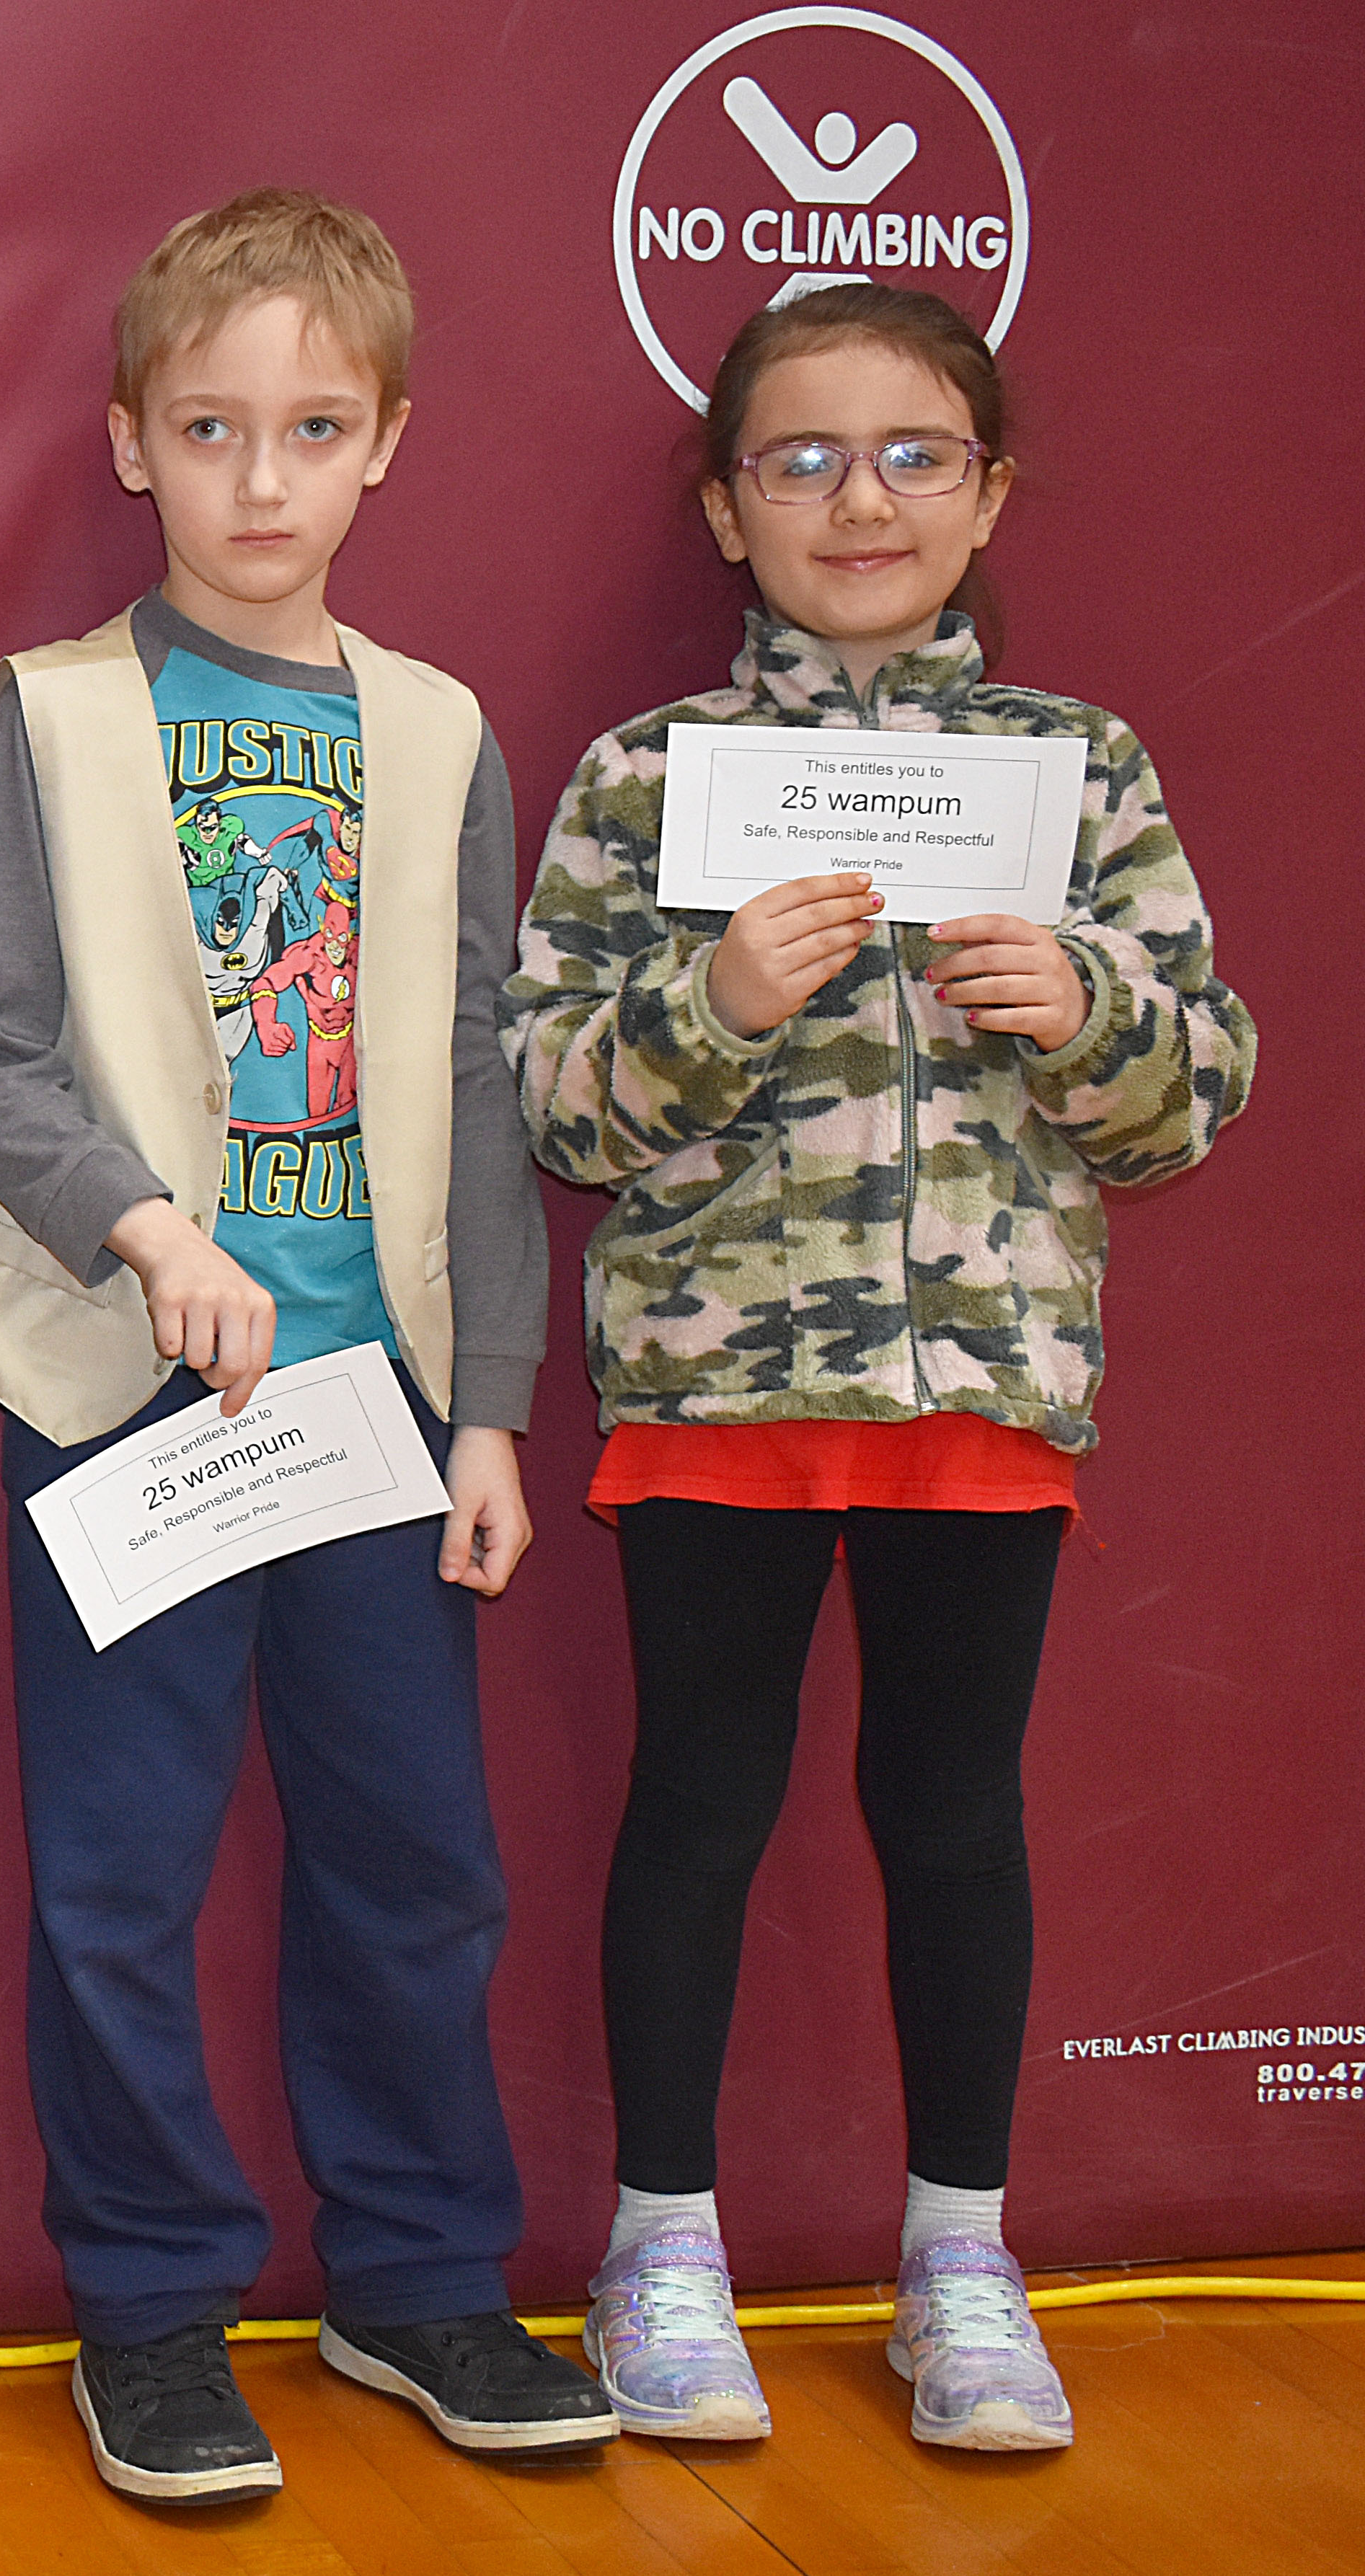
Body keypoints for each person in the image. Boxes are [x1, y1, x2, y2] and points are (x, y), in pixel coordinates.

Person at [0, 191, 615, 2506]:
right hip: (126, 1404)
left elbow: (485, 1089)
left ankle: (420, 2279)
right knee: (119, 1874)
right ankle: (149, 2311)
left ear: (387, 443)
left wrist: (494, 1407)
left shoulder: (434, 735)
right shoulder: (62, 714)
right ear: (131, 442)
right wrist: (143, 1230)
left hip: (385, 1407)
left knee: (418, 1863)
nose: (260, 480)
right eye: (211, 429)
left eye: (313, 429)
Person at [507, 283, 1254, 2453]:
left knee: (951, 1818)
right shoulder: (654, 781)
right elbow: (558, 1098)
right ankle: (663, 2246)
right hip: (722, 1390)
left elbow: (1199, 1090)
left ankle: (959, 2254)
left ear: (990, 489)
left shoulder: (1076, 769)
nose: (862, 498)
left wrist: (1087, 1007)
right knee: (700, 1808)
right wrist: (715, 997)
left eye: (917, 453)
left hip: (979, 1399)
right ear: (726, 509)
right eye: (803, 459)